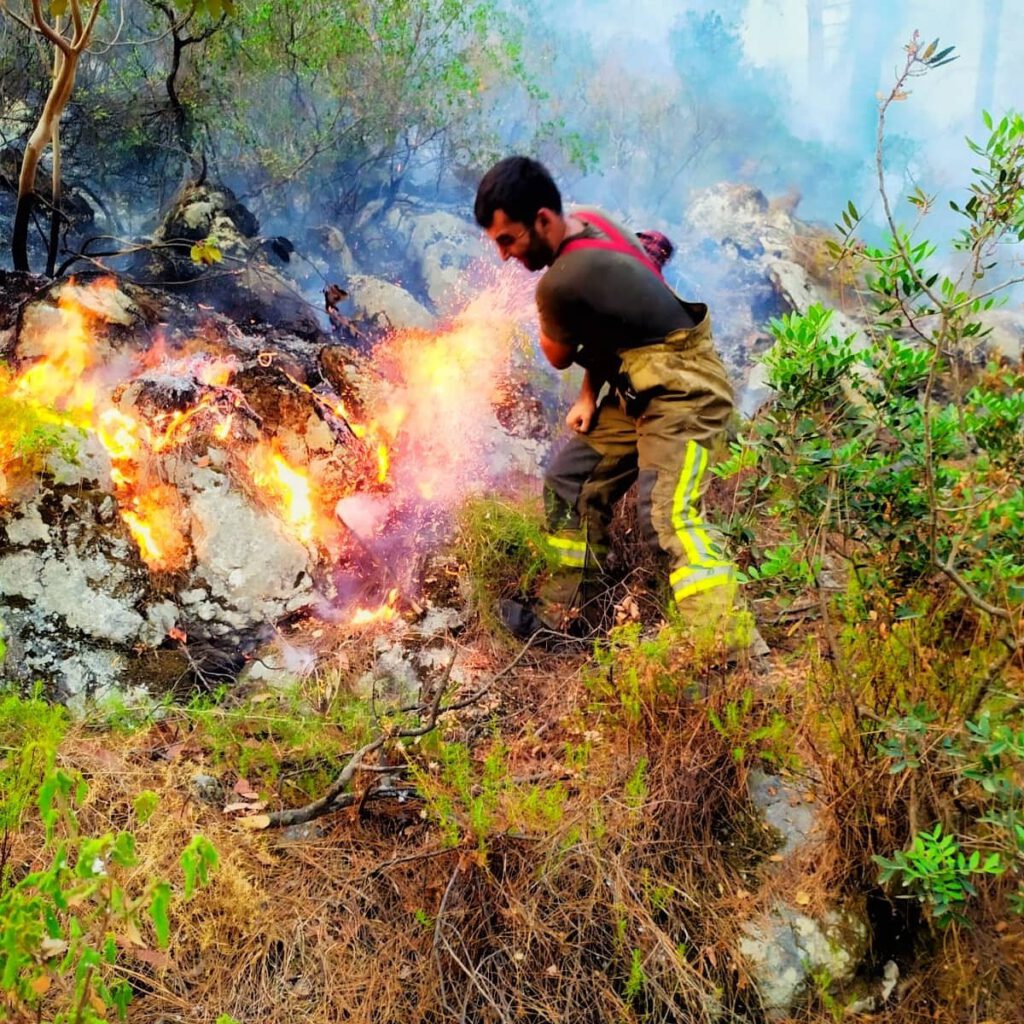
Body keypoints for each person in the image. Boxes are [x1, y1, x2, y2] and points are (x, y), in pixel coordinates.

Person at [474, 155, 739, 640]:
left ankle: (731, 653)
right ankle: (572, 617)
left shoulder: (560, 281)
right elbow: (611, 321)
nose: (504, 256)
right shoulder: (592, 220)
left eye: (508, 241)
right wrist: (588, 394)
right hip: (639, 384)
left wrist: (554, 323)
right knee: (569, 481)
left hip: (684, 391)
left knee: (667, 518)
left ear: (543, 220)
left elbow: (555, 354)